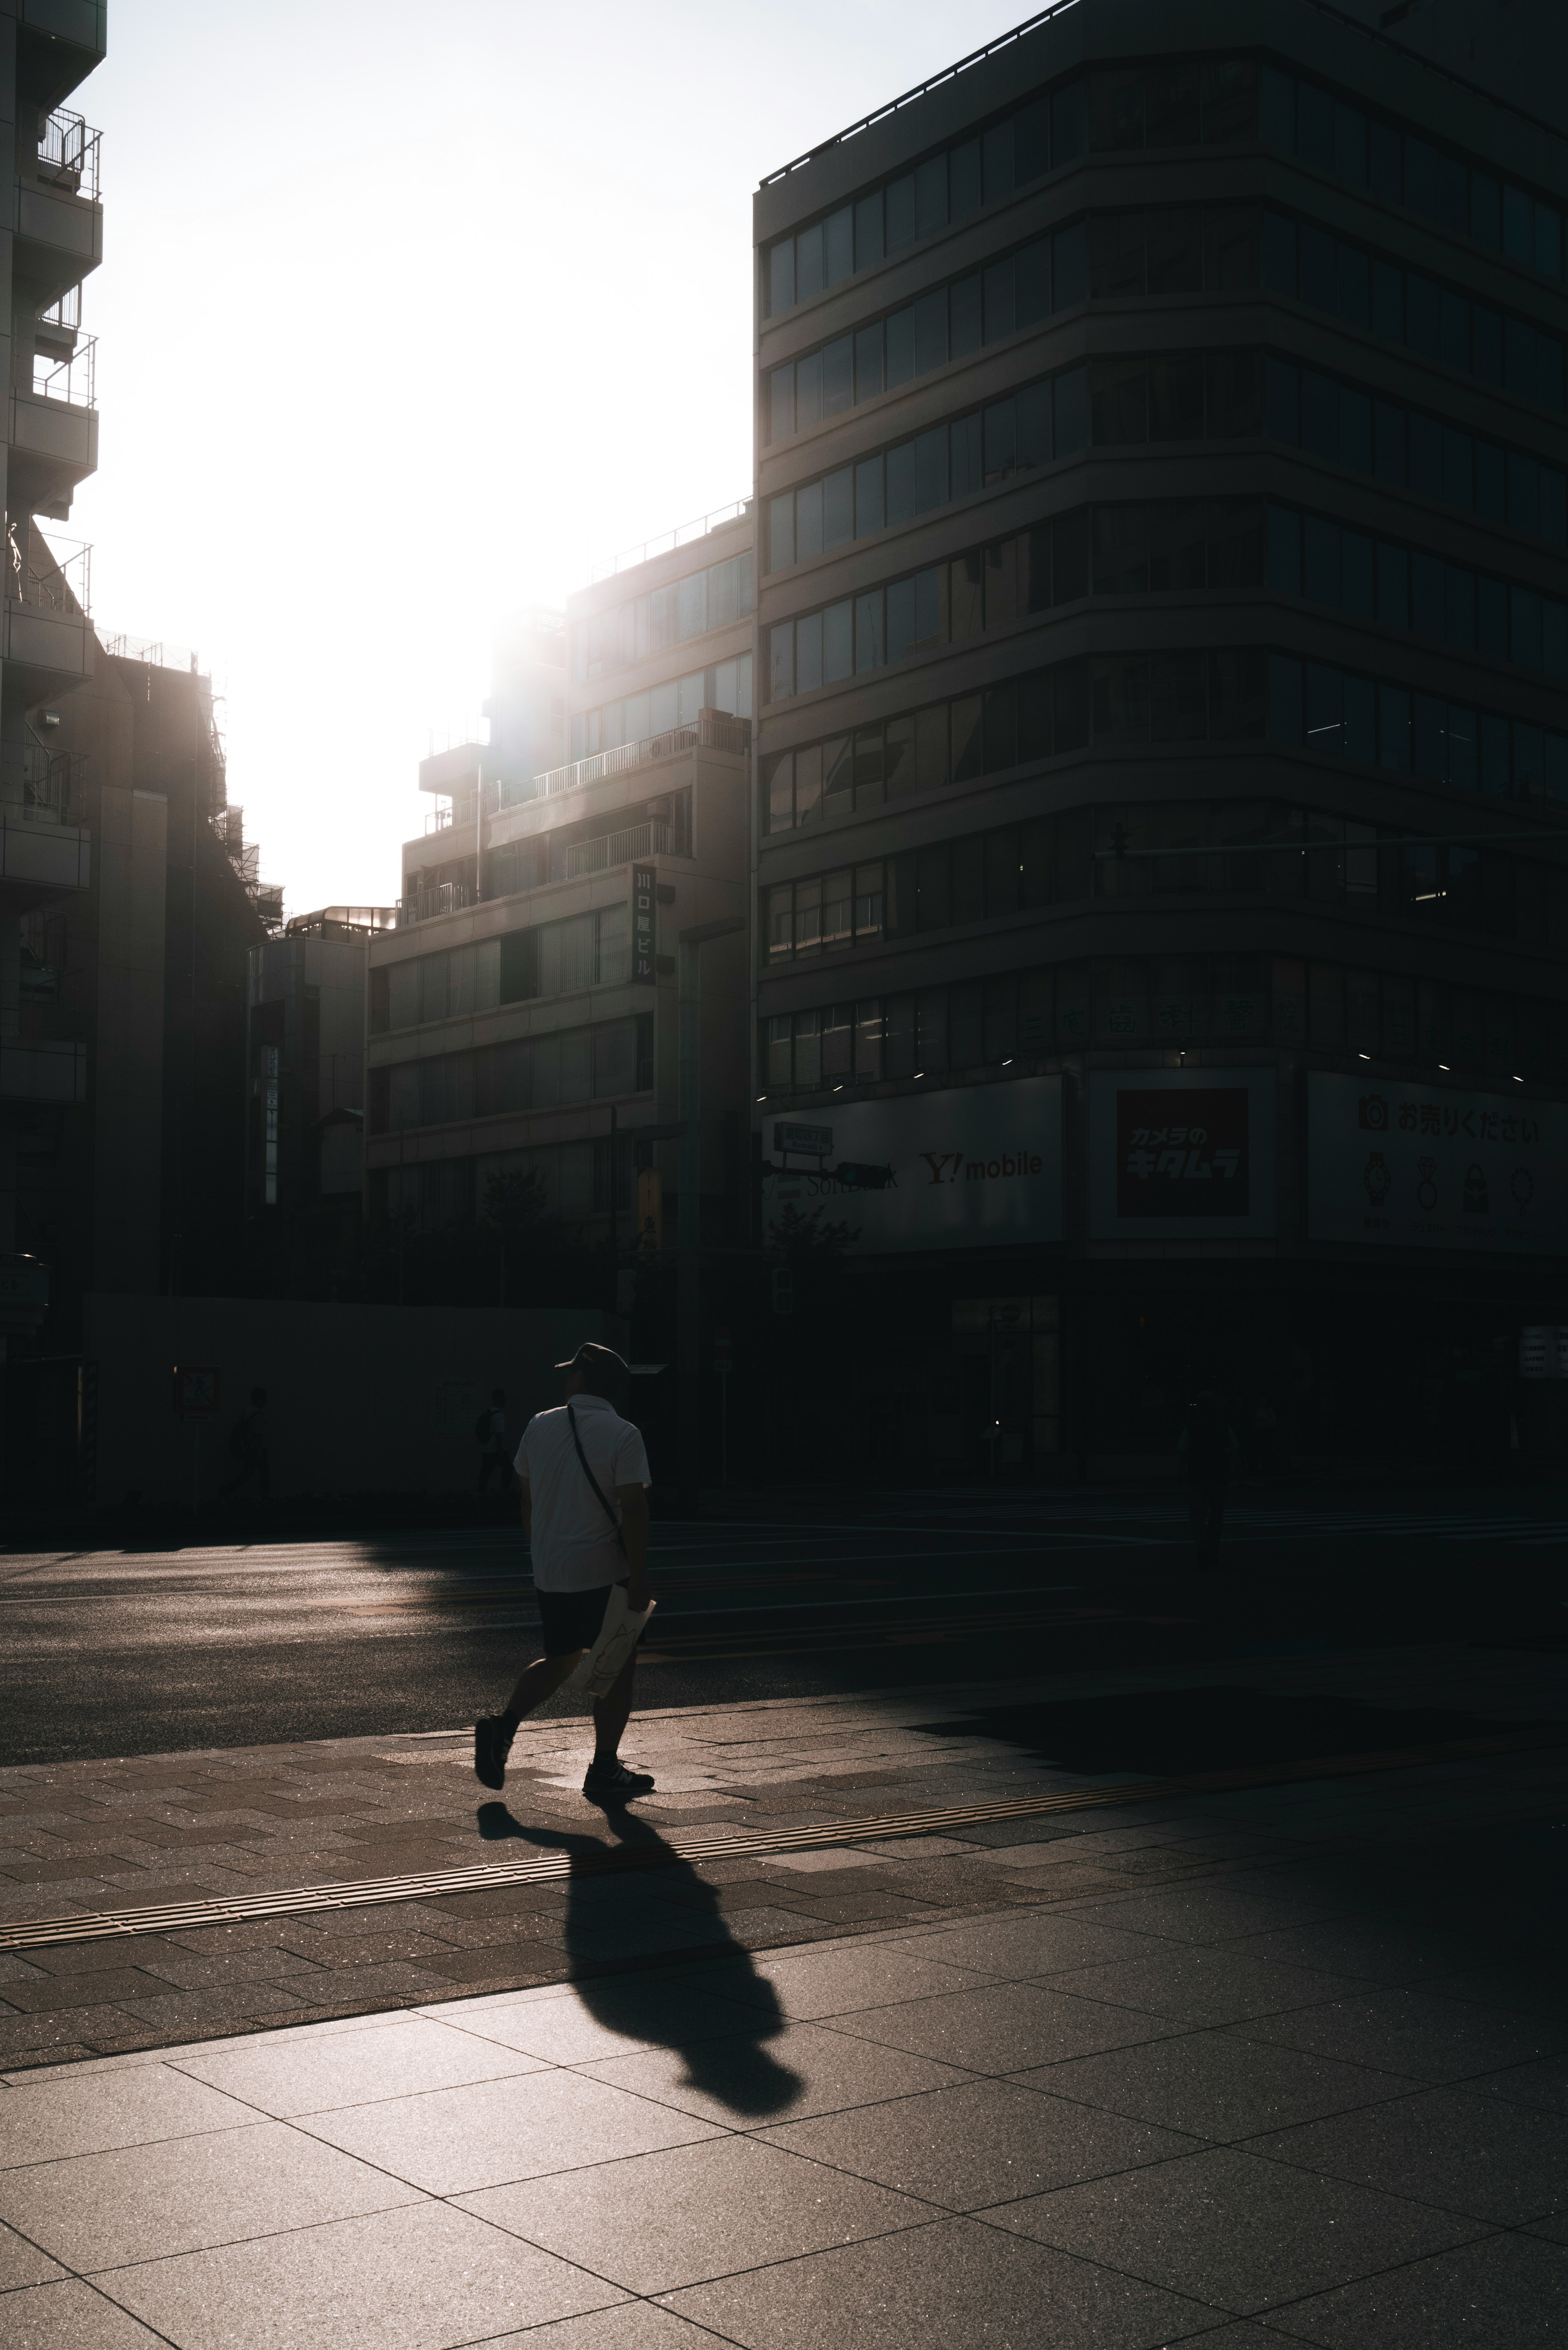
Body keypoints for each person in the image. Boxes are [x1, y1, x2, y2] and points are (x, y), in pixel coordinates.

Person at [475, 1342, 655, 1803]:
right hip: (602, 1570)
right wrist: (639, 1575)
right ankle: (605, 1768)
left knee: (561, 1657)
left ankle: (504, 1726)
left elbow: (527, 1498)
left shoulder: (540, 1425)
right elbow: (634, 1509)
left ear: (582, 1379)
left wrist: (542, 1552)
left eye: (571, 1372)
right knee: (615, 1667)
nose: (565, 1378)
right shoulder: (623, 1433)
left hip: (551, 1570)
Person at [1177, 1388, 1240, 1567]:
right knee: (1216, 1515)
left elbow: (1183, 1453)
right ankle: (1212, 1549)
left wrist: (1179, 1472)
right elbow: (1235, 1453)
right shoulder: (1224, 1427)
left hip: (1197, 1475)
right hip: (1219, 1476)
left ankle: (1202, 1548)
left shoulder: (1191, 1427)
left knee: (1197, 1515)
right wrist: (1241, 1475)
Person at [220, 1387, 270, 1503]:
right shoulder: (258, 1415)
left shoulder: (248, 1412)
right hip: (257, 1450)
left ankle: (226, 1490)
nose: (267, 1401)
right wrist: (259, 1453)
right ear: (261, 1399)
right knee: (264, 1476)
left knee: (248, 1474)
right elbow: (259, 1436)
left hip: (247, 1448)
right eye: (265, 1398)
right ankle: (265, 1498)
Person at [476, 1387, 511, 1496]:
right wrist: (501, 1452)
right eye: (504, 1398)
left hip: (486, 1449)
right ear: (499, 1399)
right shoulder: (499, 1416)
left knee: (485, 1474)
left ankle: (480, 1494)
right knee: (509, 1469)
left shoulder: (489, 1413)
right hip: (496, 1450)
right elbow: (499, 1435)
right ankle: (503, 1493)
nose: (506, 1400)